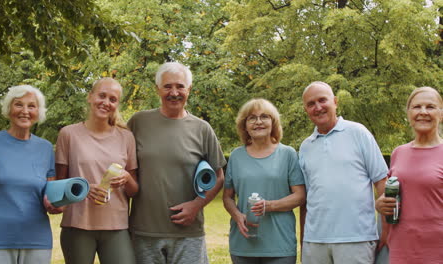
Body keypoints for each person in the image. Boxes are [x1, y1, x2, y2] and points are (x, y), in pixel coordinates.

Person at [127, 62, 226, 264]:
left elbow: (219, 176)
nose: (174, 92)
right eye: (167, 86)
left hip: (188, 234)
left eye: (180, 86)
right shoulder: (138, 122)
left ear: (189, 89)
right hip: (145, 232)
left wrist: (196, 205)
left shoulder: (202, 129)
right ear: (157, 89)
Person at [299, 81, 388, 264]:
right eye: (311, 104)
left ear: (335, 102)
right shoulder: (306, 147)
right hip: (315, 242)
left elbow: (382, 183)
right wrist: (304, 240)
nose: (318, 107)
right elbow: (306, 199)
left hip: (356, 239)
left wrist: (385, 231)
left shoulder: (358, 132)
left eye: (322, 100)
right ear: (306, 109)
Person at [55, 77, 139, 264]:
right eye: (102, 96)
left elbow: (134, 190)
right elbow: (58, 188)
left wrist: (127, 177)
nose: (106, 102)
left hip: (117, 226)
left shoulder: (126, 137)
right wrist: (84, 189)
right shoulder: (68, 134)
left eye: (112, 99)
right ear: (90, 97)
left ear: (117, 104)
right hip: (77, 225)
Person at [0, 85, 60, 264]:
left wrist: (57, 205)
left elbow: (51, 196)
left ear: (38, 112)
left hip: (37, 241)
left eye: (31, 106)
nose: (25, 111)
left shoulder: (46, 148)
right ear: (9, 109)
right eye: (19, 105)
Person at [223, 98, 306, 264]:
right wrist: (237, 215)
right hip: (243, 243)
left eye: (264, 117)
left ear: (273, 122)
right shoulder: (236, 156)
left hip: (279, 245)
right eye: (252, 118)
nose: (258, 122)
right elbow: (227, 197)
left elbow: (300, 196)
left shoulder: (287, 154)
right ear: (244, 125)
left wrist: (269, 206)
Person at [375, 87, 443, 264]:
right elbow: (393, 194)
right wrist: (381, 203)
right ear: (408, 113)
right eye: (417, 107)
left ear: (441, 114)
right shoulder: (399, 153)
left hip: (436, 250)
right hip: (401, 247)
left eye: (430, 107)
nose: (423, 112)